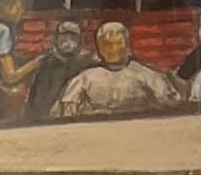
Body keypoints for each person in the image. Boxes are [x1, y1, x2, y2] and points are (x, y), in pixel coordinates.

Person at [54, 21, 185, 119]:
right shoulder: (85, 78)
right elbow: (67, 112)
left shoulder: (146, 75)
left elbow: (172, 104)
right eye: (107, 44)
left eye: (118, 43)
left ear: (127, 45)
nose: (113, 49)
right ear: (99, 48)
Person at [23, 18, 92, 124]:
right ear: (56, 39)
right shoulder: (47, 64)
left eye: (72, 36)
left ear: (79, 40)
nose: (68, 40)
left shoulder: (87, 63)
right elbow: (35, 103)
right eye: (64, 35)